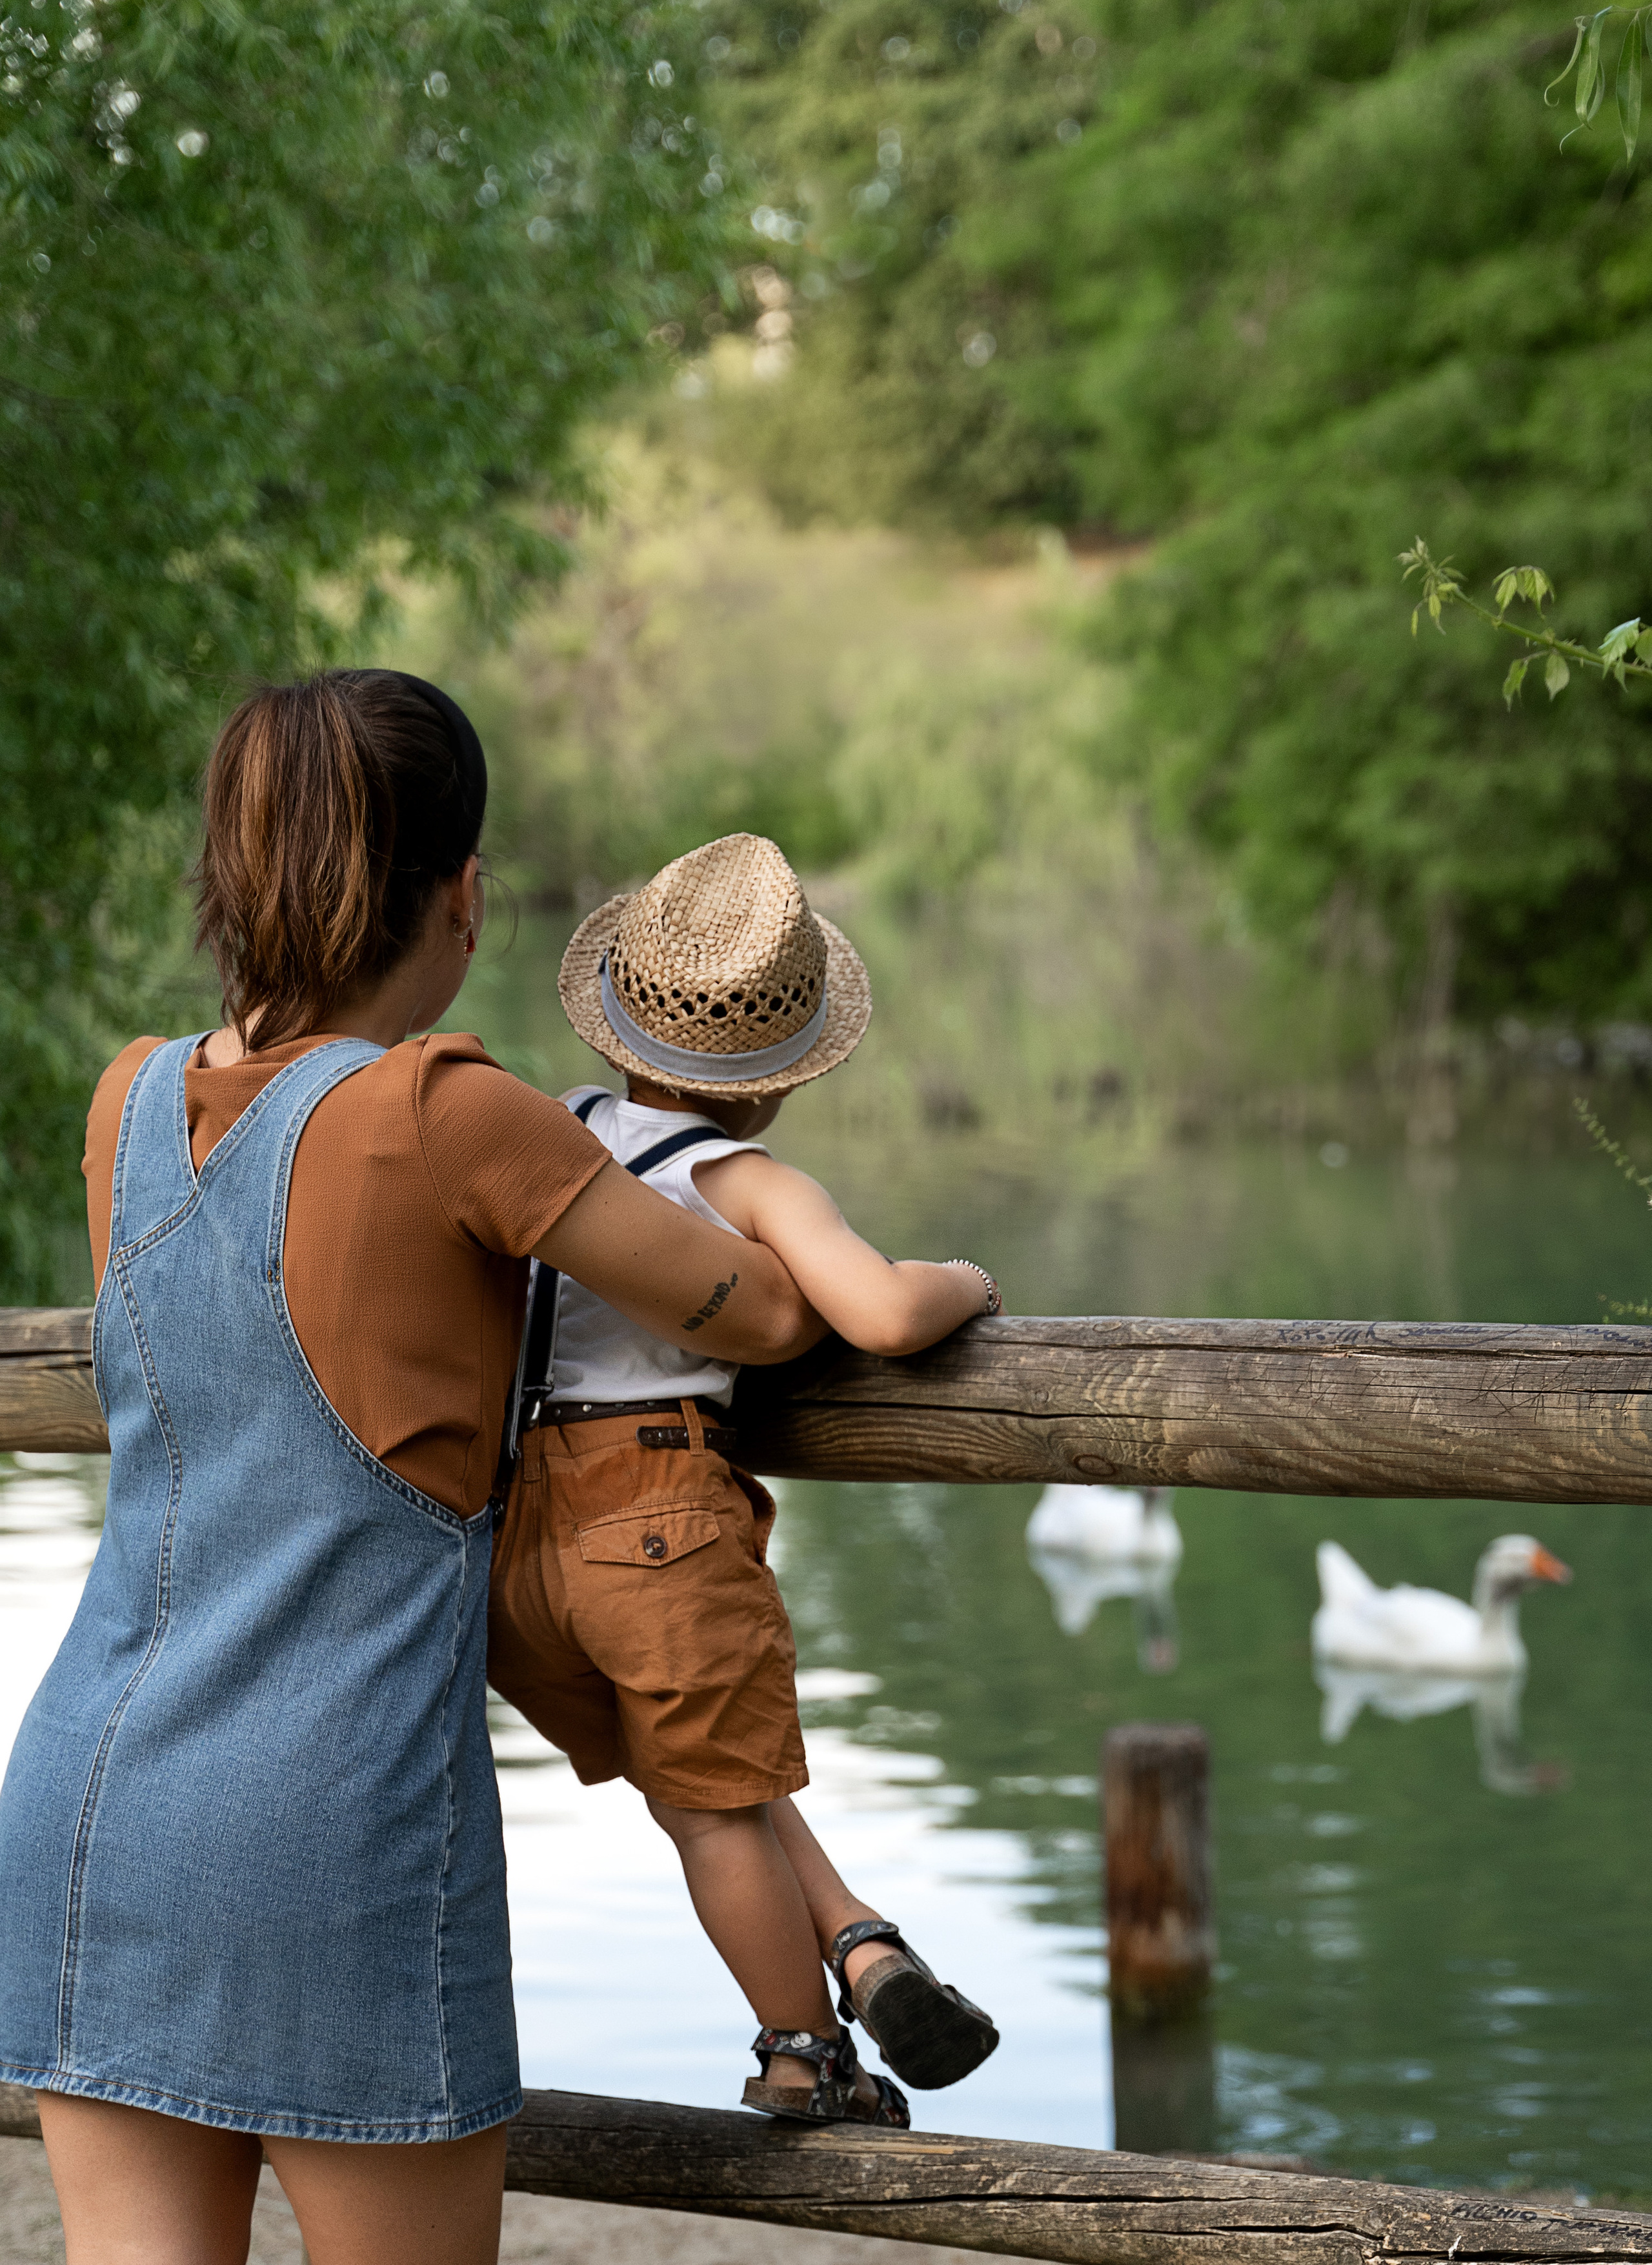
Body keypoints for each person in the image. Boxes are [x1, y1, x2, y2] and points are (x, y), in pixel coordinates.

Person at [0, 680, 824, 2265]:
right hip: (332, 1833)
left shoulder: (127, 1103)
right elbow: (769, 1311)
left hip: (89, 1812)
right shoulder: (452, 1113)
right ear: (461, 895)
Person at [487, 832, 1002, 2131]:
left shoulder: (548, 1135)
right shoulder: (745, 1180)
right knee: (716, 1808)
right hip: (655, 1519)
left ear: (611, 1027)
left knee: (701, 1784)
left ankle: (862, 1946)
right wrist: (969, 1285)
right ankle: (801, 2056)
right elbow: (881, 1317)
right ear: (776, 1080)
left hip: (510, 1545)